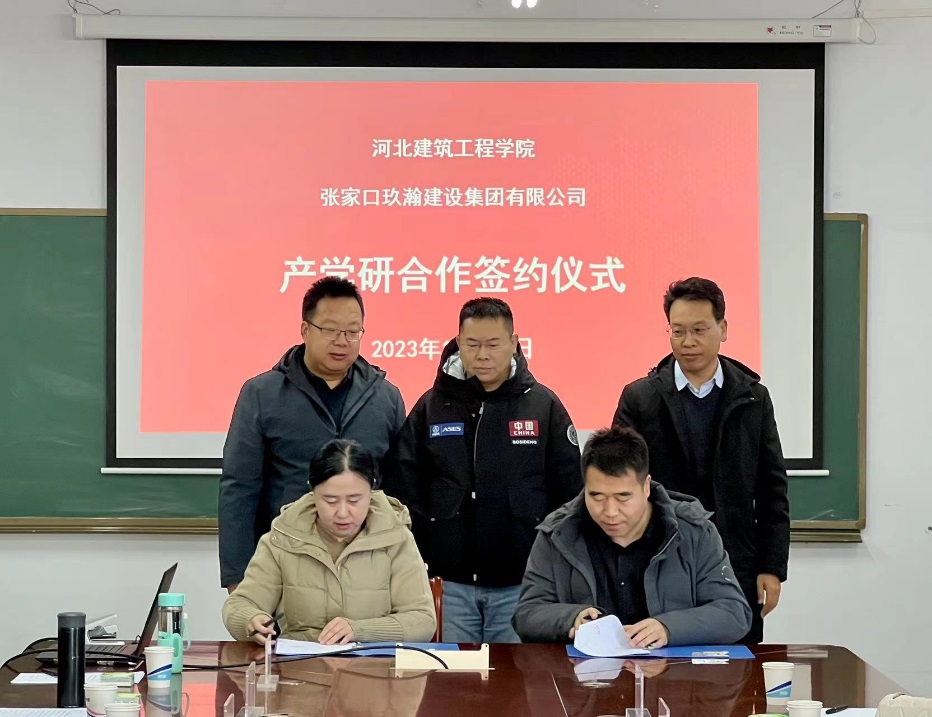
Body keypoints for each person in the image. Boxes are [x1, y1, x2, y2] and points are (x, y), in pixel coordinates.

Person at [381, 297, 583, 643]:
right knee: (451, 673)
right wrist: (427, 547)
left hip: (522, 582)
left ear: (514, 343)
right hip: (450, 582)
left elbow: (569, 492)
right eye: (472, 344)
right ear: (459, 343)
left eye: (493, 344)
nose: (483, 355)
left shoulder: (543, 405)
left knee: (515, 675)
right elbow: (404, 487)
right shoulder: (432, 406)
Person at [611, 277, 789, 643]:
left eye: (699, 330)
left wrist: (771, 567)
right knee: (658, 666)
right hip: (658, 561)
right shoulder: (641, 398)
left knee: (737, 668)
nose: (688, 341)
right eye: (678, 331)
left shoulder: (753, 399)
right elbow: (619, 482)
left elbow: (772, 487)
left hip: (734, 562)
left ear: (723, 329)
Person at [219, 276, 405, 593]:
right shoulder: (262, 394)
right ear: (305, 330)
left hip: (367, 571)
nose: (342, 341)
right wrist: (239, 577)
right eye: (330, 330)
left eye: (352, 331)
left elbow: (400, 491)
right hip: (285, 565)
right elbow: (239, 488)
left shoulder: (386, 397)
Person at [513, 426, 751, 646]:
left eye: (623, 497)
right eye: (596, 496)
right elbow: (527, 614)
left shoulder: (694, 532)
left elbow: (734, 612)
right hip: (586, 673)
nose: (610, 512)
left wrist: (669, 628)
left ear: (646, 486)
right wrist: (570, 618)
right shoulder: (557, 534)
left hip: (671, 674)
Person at [222, 439, 436, 644]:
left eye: (354, 500)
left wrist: (359, 630)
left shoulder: (396, 538)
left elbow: (423, 621)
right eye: (330, 500)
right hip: (299, 664)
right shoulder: (284, 537)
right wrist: (250, 620)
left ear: (371, 492)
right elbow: (240, 604)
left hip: (373, 664)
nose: (342, 513)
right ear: (312, 491)